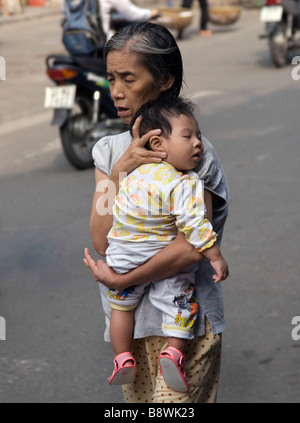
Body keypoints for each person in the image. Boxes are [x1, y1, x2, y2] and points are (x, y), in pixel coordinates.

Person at [84, 22, 230, 403]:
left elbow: (190, 248)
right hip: (131, 330)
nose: (116, 91)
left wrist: (122, 280)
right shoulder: (109, 152)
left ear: (164, 80)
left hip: (185, 330)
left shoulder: (192, 151)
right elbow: (102, 239)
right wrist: (119, 172)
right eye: (111, 77)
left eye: (128, 78)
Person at [104, 97, 229, 393]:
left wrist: (115, 175)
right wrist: (216, 256)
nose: (198, 143)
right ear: (158, 144)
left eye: (198, 136)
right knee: (180, 301)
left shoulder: (130, 174)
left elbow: (108, 213)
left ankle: (122, 358)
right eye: (189, 136)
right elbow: (195, 227)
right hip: (161, 257)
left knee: (121, 307)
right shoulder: (184, 182)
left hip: (122, 254)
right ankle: (173, 352)